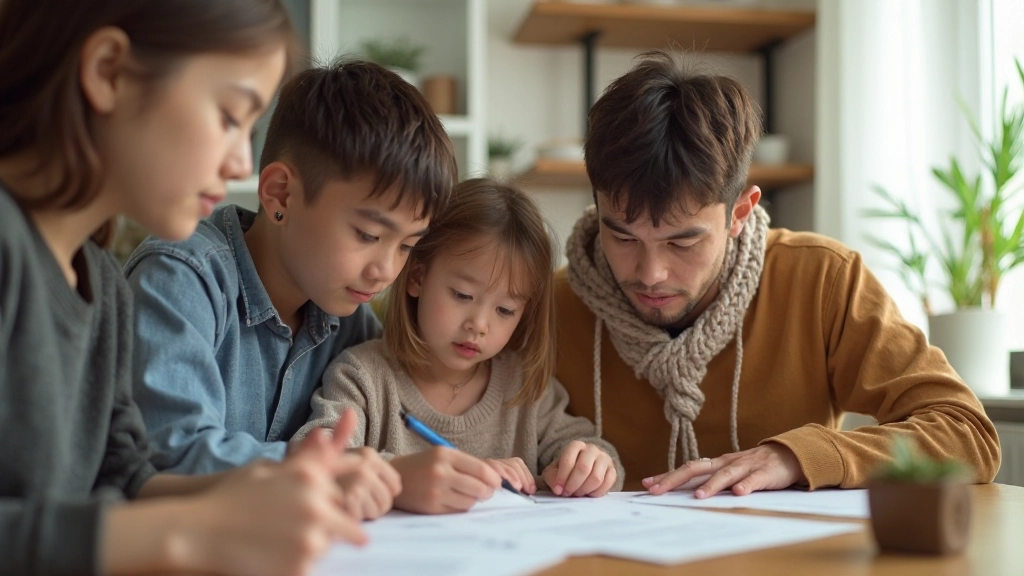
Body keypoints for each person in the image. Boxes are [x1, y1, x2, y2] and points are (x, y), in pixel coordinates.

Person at [0, 1, 383, 574]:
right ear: (108, 72)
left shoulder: (100, 281)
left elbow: (124, 474)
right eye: (230, 116)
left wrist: (269, 488)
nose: (237, 163)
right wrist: (184, 534)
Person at [553, 50, 1001, 499]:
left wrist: (795, 456)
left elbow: (967, 435)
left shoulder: (823, 280)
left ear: (740, 213)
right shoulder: (544, 306)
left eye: (683, 242)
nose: (651, 274)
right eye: (623, 238)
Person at [123, 60, 457, 517]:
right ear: (280, 195)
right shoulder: (182, 277)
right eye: (367, 235)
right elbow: (170, 455)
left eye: (408, 247)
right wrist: (341, 471)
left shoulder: (350, 319)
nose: (385, 270)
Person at [295, 179, 624, 514]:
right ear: (417, 278)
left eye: (505, 310)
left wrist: (589, 465)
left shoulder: (523, 388)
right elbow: (316, 460)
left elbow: (594, 453)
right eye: (463, 296)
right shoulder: (362, 378)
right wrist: (401, 477)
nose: (478, 325)